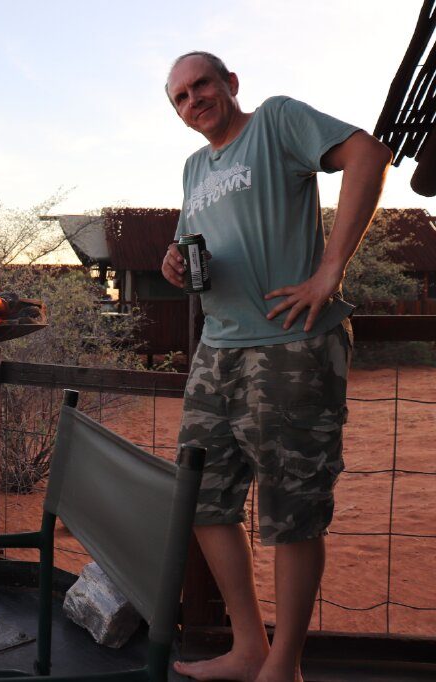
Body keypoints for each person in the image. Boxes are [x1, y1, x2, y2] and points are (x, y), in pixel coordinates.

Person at [161, 52, 392, 682]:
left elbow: (369, 157)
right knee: (203, 501)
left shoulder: (276, 122)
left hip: (291, 344)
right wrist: (173, 263)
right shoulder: (193, 168)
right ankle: (248, 649)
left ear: (231, 84)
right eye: (179, 97)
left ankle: (284, 664)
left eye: (201, 85)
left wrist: (329, 270)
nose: (192, 100)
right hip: (218, 348)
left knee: (292, 509)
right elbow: (193, 240)